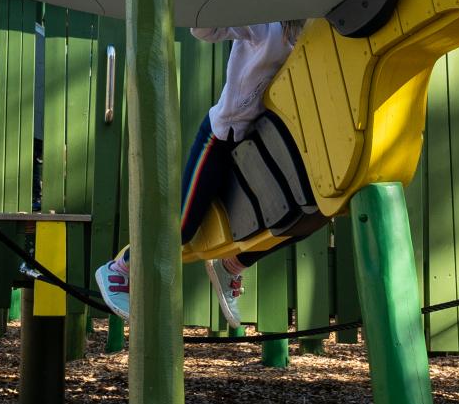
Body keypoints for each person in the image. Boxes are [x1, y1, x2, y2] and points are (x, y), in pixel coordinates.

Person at [97, 20, 305, 326]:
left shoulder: (312, 30)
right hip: (220, 138)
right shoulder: (267, 25)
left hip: (261, 143)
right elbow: (206, 29)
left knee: (292, 219)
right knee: (183, 225)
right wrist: (211, 3)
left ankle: (231, 265)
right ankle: (121, 268)